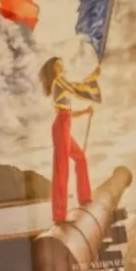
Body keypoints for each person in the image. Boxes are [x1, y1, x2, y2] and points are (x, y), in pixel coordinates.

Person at [38, 56, 100, 224]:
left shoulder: (59, 84)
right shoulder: (59, 81)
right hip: (61, 127)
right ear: (54, 69)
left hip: (63, 125)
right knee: (62, 169)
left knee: (80, 158)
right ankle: (59, 215)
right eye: (59, 65)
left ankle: (85, 197)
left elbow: (67, 113)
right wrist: (93, 77)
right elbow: (77, 88)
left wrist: (85, 111)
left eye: (62, 65)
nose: (62, 67)